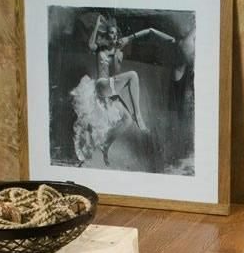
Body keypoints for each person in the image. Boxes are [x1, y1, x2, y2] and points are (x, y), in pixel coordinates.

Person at [71, 14, 175, 167]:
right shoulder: (100, 47)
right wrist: (97, 24)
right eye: (110, 33)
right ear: (106, 35)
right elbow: (90, 45)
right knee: (133, 75)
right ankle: (138, 116)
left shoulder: (120, 45)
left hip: (112, 91)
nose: (113, 36)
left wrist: (162, 35)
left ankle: (106, 145)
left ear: (117, 35)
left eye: (115, 34)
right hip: (102, 85)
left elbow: (147, 32)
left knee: (127, 120)